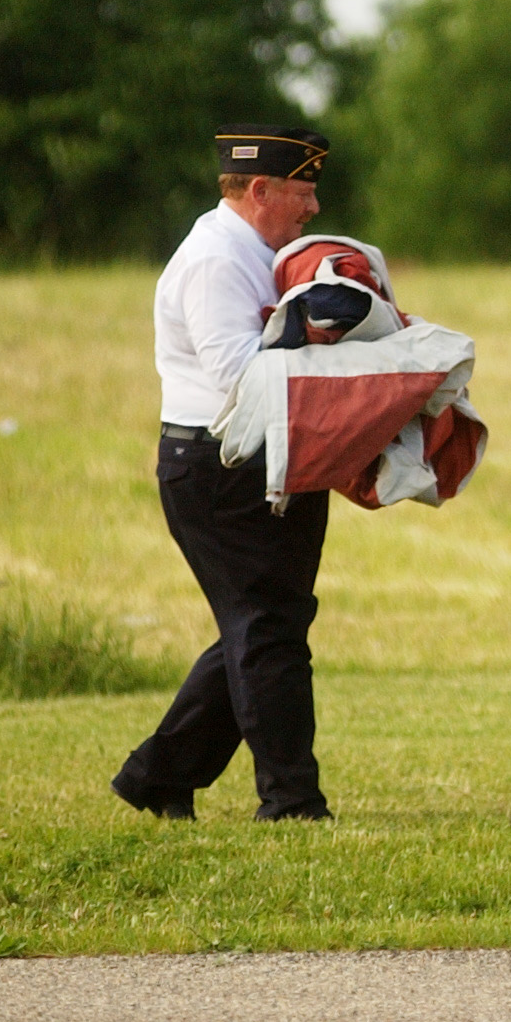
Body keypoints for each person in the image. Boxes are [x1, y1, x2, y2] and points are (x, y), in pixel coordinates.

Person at [111, 124, 336, 822]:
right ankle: (292, 803)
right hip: (219, 466)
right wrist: (318, 331)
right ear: (260, 189)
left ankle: (159, 775)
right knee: (266, 626)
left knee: (266, 621)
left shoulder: (252, 252)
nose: (313, 208)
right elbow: (238, 374)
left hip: (260, 457)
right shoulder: (215, 259)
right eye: (304, 190)